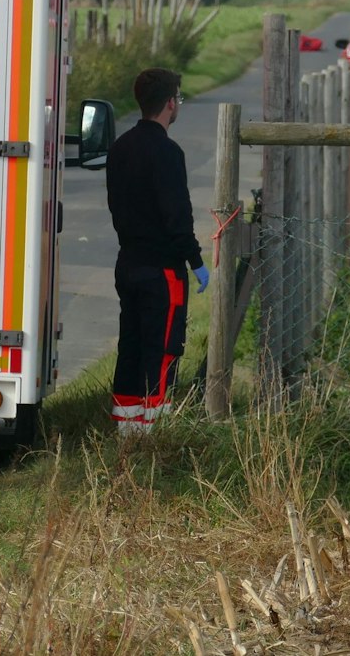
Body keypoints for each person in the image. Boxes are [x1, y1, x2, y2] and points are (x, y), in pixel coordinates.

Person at [105, 67, 207, 434]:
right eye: (177, 98)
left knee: (131, 345)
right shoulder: (167, 152)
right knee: (163, 349)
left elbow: (117, 206)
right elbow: (177, 216)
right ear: (169, 103)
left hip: (128, 262)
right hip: (163, 270)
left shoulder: (119, 148)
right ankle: (154, 431)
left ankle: (126, 428)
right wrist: (195, 260)